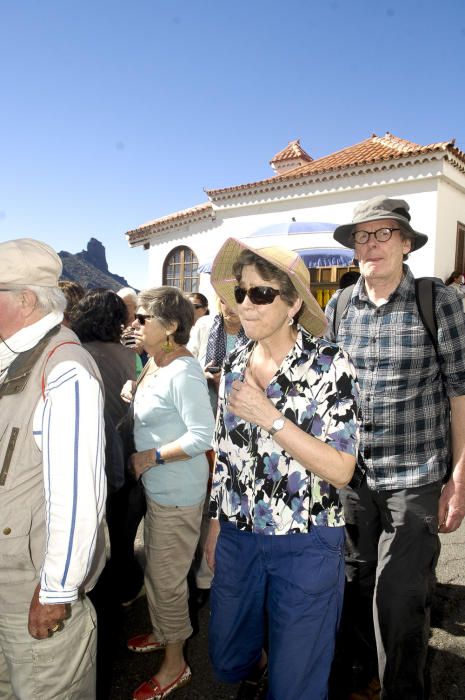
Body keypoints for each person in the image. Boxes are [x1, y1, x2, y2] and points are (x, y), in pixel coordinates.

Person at [205, 238, 360, 700]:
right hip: (237, 535)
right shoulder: (233, 362)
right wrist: (215, 527)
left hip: (305, 540)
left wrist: (270, 417)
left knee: (297, 684)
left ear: (293, 304)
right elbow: (225, 453)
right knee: (227, 656)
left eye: (261, 293)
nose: (246, 304)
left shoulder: (331, 367)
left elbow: (342, 471)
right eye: (241, 292)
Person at [325, 196, 465, 699]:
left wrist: (460, 478)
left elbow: (460, 390)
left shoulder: (437, 301)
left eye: (384, 234)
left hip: (417, 475)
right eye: (362, 236)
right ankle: (362, 678)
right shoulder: (339, 306)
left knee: (401, 598)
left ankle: (403, 692)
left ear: (406, 244)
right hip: (352, 477)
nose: (371, 244)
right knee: (356, 584)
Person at [0, 238, 106, 699]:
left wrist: (57, 592)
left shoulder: (64, 368)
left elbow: (79, 495)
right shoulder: (13, 357)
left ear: (25, 299)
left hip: (31, 587)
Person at [126, 286, 215, 700]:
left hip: (176, 491)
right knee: (158, 573)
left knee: (167, 579)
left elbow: (202, 435)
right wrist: (134, 389)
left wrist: (151, 457)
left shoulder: (182, 371)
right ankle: (164, 632)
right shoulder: (157, 363)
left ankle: (175, 664)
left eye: (144, 318)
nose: (136, 324)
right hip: (160, 490)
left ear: (172, 326)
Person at [71, 288, 138, 698]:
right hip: (126, 453)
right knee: (122, 528)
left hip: (91, 458)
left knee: (91, 532)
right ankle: (124, 588)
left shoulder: (74, 353)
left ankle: (96, 597)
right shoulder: (128, 355)